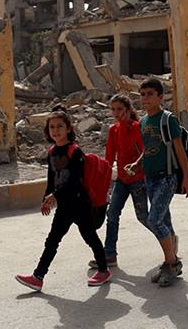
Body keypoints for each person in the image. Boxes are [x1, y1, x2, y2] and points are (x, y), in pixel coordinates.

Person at [15, 107, 111, 292]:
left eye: (60, 126)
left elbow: (75, 181)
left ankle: (104, 270)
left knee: (90, 237)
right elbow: (52, 178)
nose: (56, 130)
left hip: (80, 203)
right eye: (52, 127)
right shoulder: (52, 152)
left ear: (68, 128)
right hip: (64, 206)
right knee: (52, 240)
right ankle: (38, 277)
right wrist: (46, 198)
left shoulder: (75, 152)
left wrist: (55, 196)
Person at [135, 77, 188, 287]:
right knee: (164, 221)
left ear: (160, 97)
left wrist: (186, 178)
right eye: (142, 94)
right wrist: (137, 163)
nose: (146, 98)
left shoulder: (168, 119)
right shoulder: (143, 122)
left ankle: (172, 263)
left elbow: (179, 149)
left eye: (150, 94)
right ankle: (170, 261)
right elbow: (148, 148)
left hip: (167, 177)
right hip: (149, 178)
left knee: (154, 220)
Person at [87, 94, 151, 269]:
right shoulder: (114, 130)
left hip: (138, 180)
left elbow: (141, 150)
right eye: (113, 109)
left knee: (144, 217)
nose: (116, 113)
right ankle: (110, 255)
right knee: (112, 214)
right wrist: (103, 183)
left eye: (120, 109)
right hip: (122, 180)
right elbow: (109, 158)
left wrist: (125, 124)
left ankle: (167, 237)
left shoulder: (137, 127)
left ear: (128, 110)